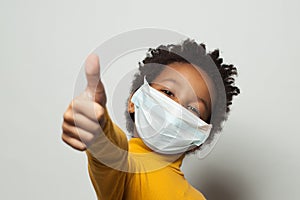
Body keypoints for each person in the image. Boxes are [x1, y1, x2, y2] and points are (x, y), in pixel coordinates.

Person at [61, 39, 240, 199]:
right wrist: (99, 129)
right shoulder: (127, 166)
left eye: (193, 109)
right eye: (167, 92)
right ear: (134, 101)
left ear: (201, 135)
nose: (177, 110)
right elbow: (111, 152)